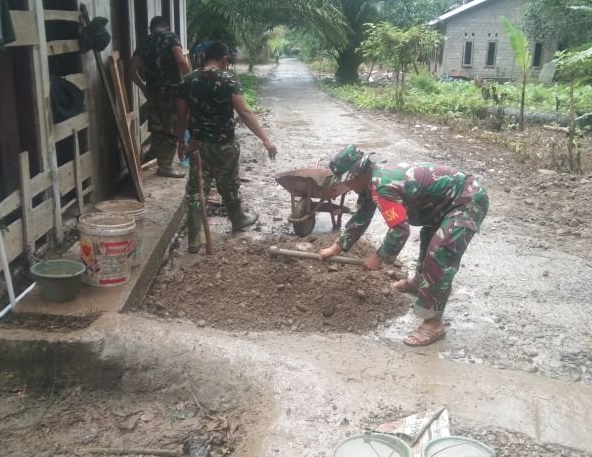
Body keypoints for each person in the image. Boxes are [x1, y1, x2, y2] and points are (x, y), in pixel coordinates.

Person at [318, 145, 489, 347]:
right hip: (443, 205)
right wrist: (336, 248)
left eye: (348, 180)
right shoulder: (371, 182)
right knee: (428, 237)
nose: (349, 185)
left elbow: (400, 229)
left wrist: (379, 257)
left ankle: (433, 323)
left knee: (440, 253)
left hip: (467, 201)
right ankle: (418, 282)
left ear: (357, 174)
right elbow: (361, 217)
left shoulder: (382, 184)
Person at [176, 41, 277, 253]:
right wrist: (265, 139)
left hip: (197, 145)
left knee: (196, 190)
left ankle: (194, 239)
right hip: (224, 145)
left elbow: (181, 115)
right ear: (224, 59)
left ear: (205, 58)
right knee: (229, 184)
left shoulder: (187, 80)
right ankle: (238, 219)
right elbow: (245, 112)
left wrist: (180, 143)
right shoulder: (228, 79)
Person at [130, 16, 190, 178]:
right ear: (167, 26)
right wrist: (191, 82)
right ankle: (166, 167)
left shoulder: (146, 41)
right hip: (171, 92)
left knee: (157, 127)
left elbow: (131, 69)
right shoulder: (170, 37)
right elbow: (181, 62)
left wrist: (144, 88)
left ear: (151, 28)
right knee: (171, 127)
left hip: (153, 91)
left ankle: (159, 159)